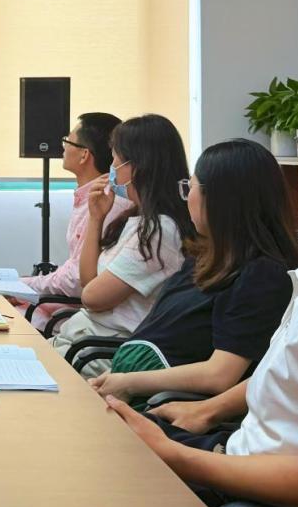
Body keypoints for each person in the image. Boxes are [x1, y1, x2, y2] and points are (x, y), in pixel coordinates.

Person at [106, 117, 298, 507]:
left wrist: (173, 453)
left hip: (249, 476)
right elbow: (280, 377)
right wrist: (206, 411)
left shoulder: (268, 277)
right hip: (237, 449)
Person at [89, 139, 298, 408]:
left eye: (191, 187)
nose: (187, 197)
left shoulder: (261, 276)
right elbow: (160, 333)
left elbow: (219, 375)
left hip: (165, 407)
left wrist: (128, 382)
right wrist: (116, 380)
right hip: (134, 390)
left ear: (221, 200)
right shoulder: (204, 257)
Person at [50, 114, 197, 376]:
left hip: (101, 353)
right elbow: (88, 281)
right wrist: (96, 218)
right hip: (82, 340)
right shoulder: (135, 218)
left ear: (138, 165)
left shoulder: (159, 231)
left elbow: (92, 298)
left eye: (116, 158)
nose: (112, 166)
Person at [19, 112, 131, 331]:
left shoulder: (107, 202)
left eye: (67, 141)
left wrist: (23, 286)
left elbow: (77, 279)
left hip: (82, 316)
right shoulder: (92, 196)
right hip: (70, 309)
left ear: (84, 155)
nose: (63, 147)